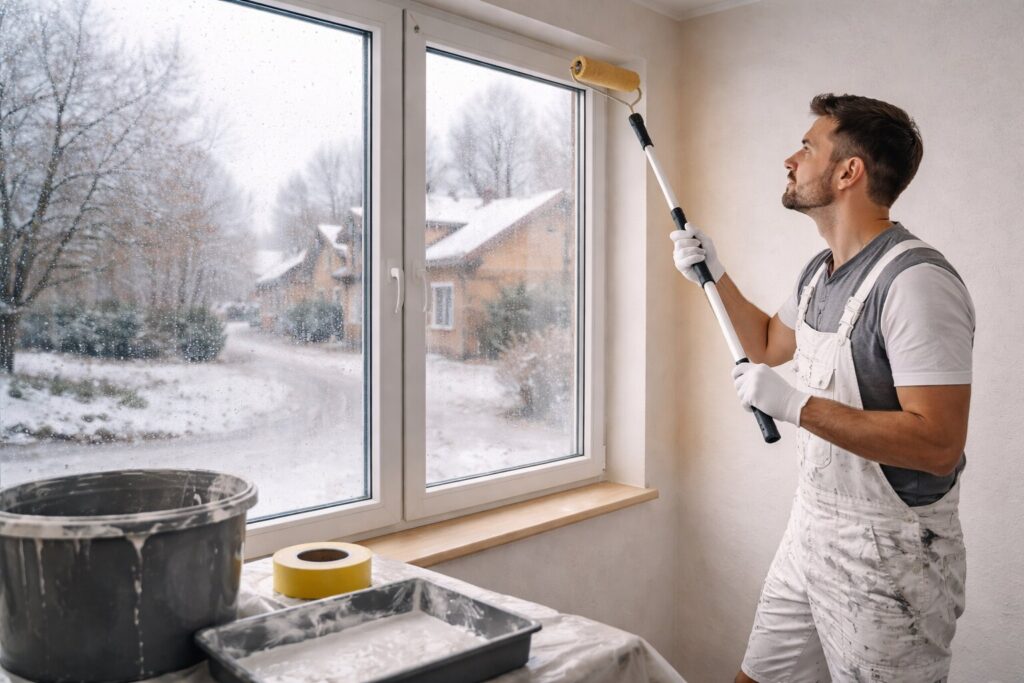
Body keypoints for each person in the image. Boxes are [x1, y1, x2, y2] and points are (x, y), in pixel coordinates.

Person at [670, 94, 974, 682]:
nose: (790, 159)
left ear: (848, 171)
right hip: (810, 531)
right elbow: (762, 342)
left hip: (892, 560)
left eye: (807, 147)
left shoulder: (915, 284)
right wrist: (712, 274)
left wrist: (796, 406)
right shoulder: (819, 273)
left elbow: (937, 443)